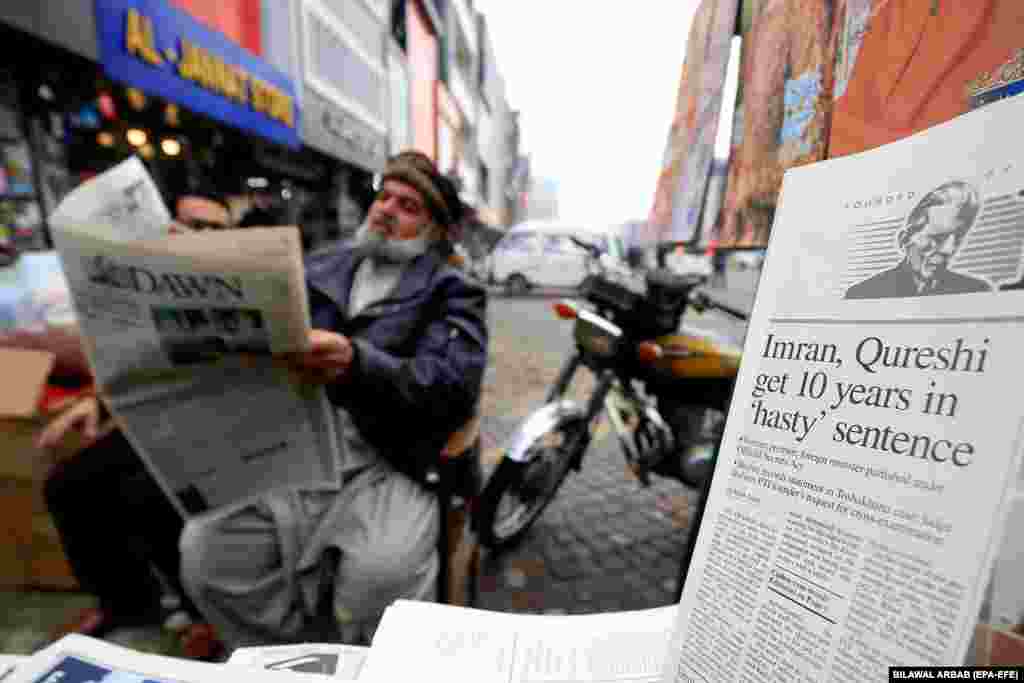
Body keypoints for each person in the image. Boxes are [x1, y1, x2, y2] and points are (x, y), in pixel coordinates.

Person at [177, 151, 488, 645]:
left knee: (379, 581)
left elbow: (450, 387)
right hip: (296, 448)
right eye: (384, 195)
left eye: (408, 205)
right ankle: (283, 658)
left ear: (434, 229)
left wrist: (358, 364)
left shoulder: (453, 290)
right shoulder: (320, 264)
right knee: (207, 552)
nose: (386, 208)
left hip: (389, 458)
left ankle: (360, 666)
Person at [39, 192, 235, 649]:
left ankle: (201, 614)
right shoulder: (149, 288)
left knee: (151, 490)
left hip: (229, 427)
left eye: (212, 230)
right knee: (69, 484)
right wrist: (96, 402)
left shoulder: (243, 286)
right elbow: (126, 362)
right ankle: (127, 602)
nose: (197, 237)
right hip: (159, 419)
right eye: (189, 225)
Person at [844, 181, 992, 299]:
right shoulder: (862, 295)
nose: (949, 249)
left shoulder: (978, 291)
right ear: (904, 240)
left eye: (958, 238)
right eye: (937, 238)